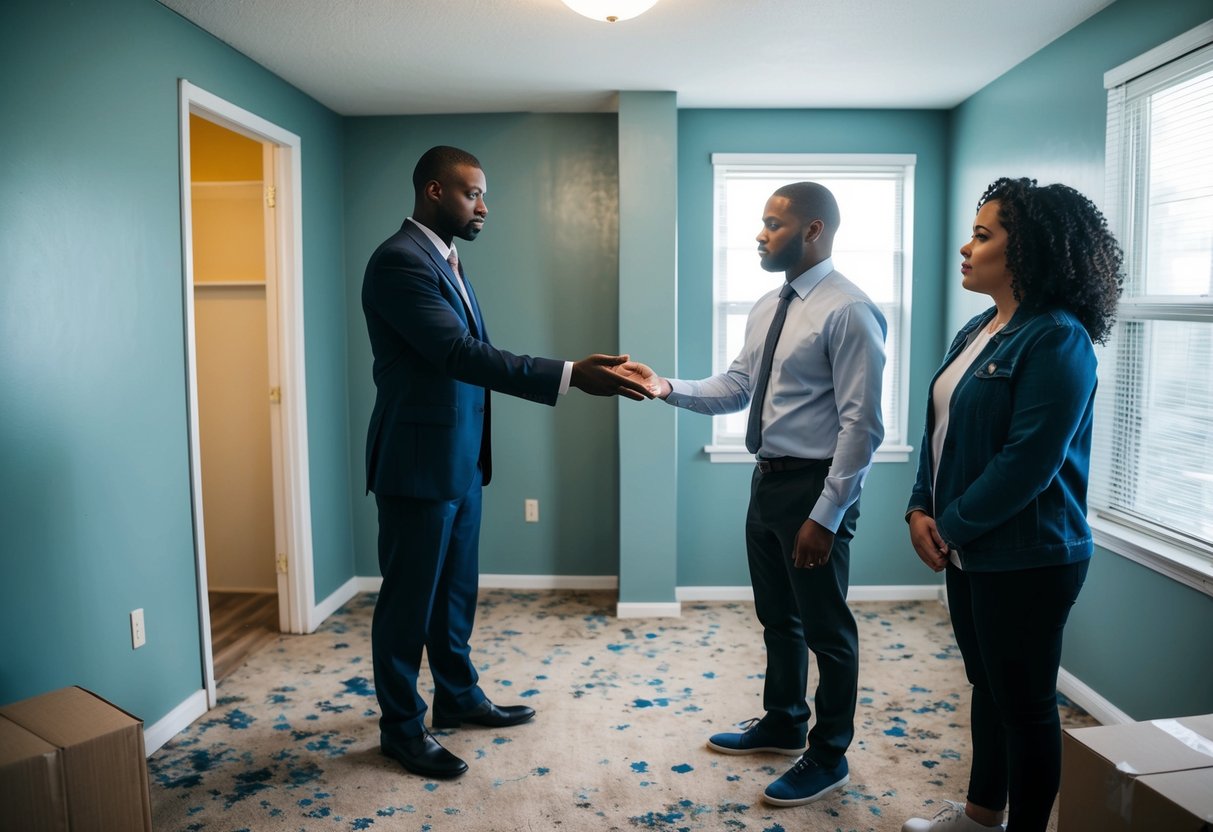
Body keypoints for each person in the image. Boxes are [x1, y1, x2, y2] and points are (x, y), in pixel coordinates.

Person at [362, 145, 653, 779]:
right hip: (417, 465)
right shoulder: (399, 262)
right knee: (408, 602)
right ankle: (401, 729)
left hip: (461, 459)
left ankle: (459, 697)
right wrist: (572, 375)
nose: (484, 207)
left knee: (455, 591)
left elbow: (469, 355)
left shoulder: (447, 260)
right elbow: (461, 354)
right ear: (435, 191)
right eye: (473, 194)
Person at [621, 182, 886, 807]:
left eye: (773, 223)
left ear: (813, 230)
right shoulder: (769, 305)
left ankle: (829, 755)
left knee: (828, 630)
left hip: (814, 488)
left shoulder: (849, 309)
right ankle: (784, 721)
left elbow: (863, 425)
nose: (760, 234)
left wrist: (826, 514)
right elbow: (740, 385)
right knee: (778, 619)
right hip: (767, 481)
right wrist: (665, 386)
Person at [901, 178, 1122, 832]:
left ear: (1026, 249)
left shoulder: (1057, 339)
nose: (966, 247)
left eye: (983, 234)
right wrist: (919, 507)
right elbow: (937, 434)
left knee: (1025, 706)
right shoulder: (979, 328)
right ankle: (979, 816)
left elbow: (1029, 460)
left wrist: (950, 528)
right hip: (969, 546)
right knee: (987, 688)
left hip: (1028, 554)